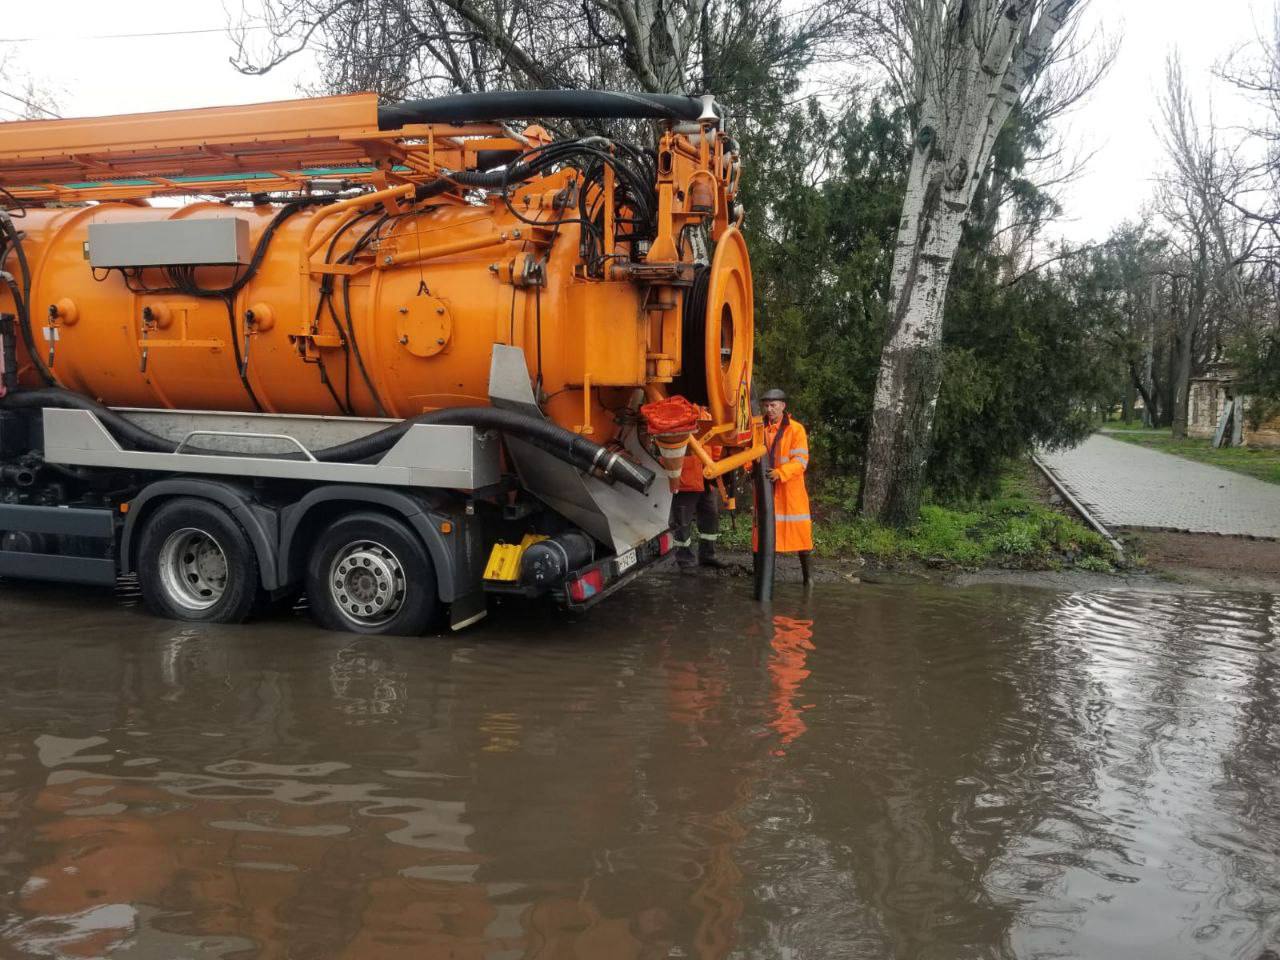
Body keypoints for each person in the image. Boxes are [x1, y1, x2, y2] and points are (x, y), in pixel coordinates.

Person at [753, 388, 813, 585]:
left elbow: (801, 461)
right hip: (766, 488)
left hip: (789, 490)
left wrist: (781, 472)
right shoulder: (758, 428)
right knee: (761, 534)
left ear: (783, 406)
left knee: (801, 536)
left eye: (773, 405)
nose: (769, 409)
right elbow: (750, 454)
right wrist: (749, 470)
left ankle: (808, 579)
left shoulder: (795, 429)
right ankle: (760, 578)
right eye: (766, 405)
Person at [669, 446, 729, 571]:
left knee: (710, 518)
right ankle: (684, 560)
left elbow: (716, 444)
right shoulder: (677, 426)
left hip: (707, 477)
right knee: (682, 522)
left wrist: (717, 464)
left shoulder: (709, 425)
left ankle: (708, 555)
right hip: (685, 481)